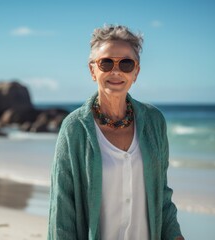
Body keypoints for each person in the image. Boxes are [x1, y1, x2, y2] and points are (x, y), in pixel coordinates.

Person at [48, 24, 184, 240]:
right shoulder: (74, 128)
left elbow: (162, 195)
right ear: (93, 70)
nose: (116, 71)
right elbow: (62, 207)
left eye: (126, 64)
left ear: (136, 71)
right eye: (106, 63)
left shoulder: (154, 121)